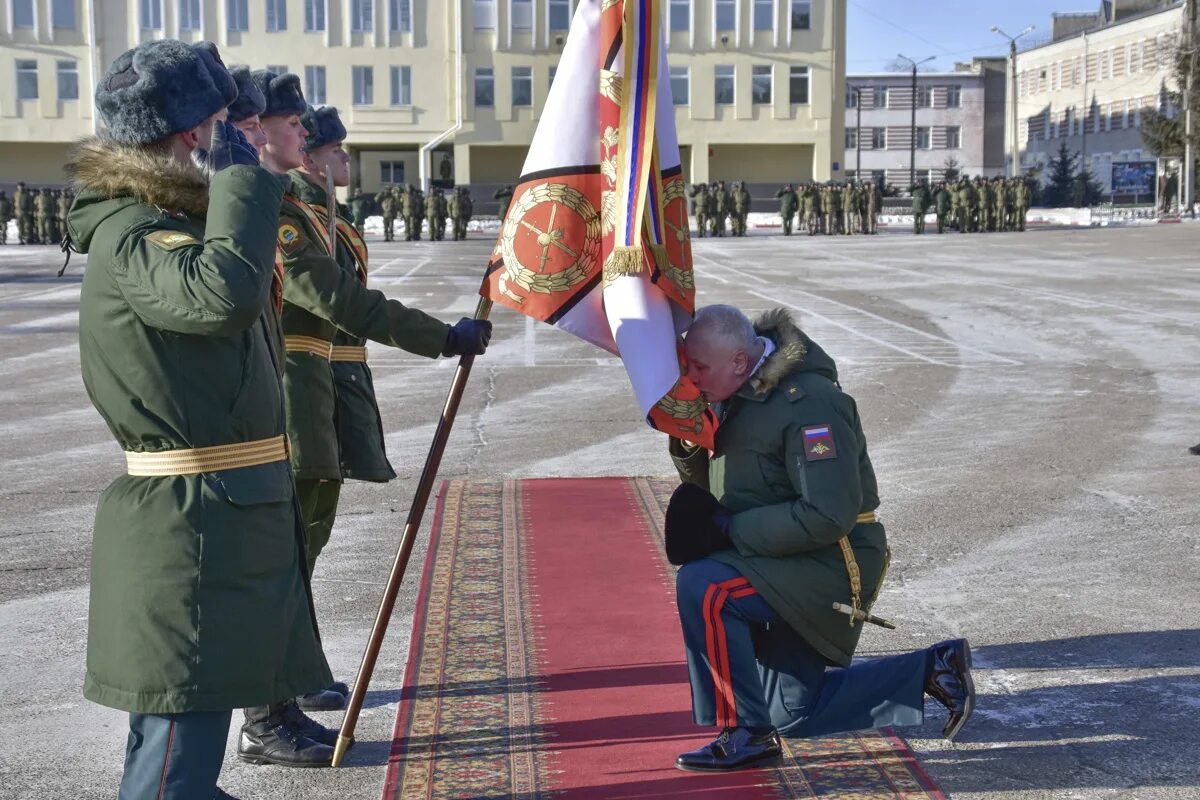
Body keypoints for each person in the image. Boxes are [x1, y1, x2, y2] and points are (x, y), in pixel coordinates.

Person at [64, 39, 332, 799]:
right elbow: (221, 297)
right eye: (227, 124)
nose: (243, 136)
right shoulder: (135, 232)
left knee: (186, 747)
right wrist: (245, 181)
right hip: (189, 535)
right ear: (194, 136)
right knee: (176, 759)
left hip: (215, 525)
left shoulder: (166, 220)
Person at [663, 305, 976, 772]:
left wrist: (734, 530)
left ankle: (744, 733)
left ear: (738, 361)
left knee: (705, 587)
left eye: (699, 367)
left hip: (829, 558)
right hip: (775, 552)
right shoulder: (733, 391)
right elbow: (717, 487)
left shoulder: (808, 404)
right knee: (789, 715)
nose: (691, 377)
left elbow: (829, 515)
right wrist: (689, 440)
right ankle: (931, 669)